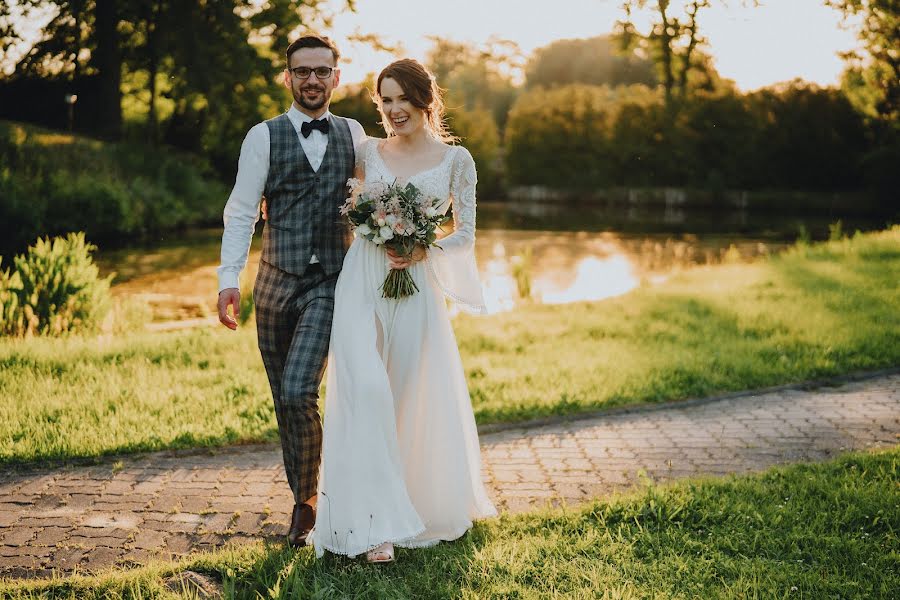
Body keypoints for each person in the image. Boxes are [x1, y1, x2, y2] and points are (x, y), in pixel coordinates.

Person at [307, 58, 497, 563]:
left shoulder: (459, 162)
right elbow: (339, 200)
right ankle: (372, 526)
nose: (393, 110)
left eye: (402, 99)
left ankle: (401, 506)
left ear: (425, 100)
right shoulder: (368, 151)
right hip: (362, 280)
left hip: (414, 287)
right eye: (385, 100)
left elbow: (466, 236)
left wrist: (422, 250)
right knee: (366, 391)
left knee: (404, 400)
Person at [216, 34, 366, 548]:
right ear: (288, 77)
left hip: (331, 283)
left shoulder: (354, 134)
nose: (312, 80)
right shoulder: (263, 137)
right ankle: (302, 491)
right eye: (302, 71)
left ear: (336, 77)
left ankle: (307, 507)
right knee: (284, 399)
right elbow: (240, 212)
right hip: (275, 285)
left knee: (301, 390)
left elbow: (377, 196)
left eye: (322, 70)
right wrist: (228, 280)